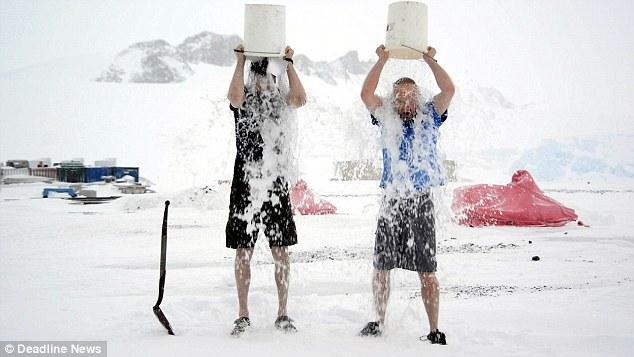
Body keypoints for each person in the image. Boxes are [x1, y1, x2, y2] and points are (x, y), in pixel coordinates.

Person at [358, 44, 455, 345]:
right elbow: (366, 94)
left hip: (421, 199)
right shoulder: (385, 116)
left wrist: (429, 59)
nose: (403, 101)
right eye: (398, 96)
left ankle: (434, 329)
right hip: (392, 200)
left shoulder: (430, 115)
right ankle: (378, 321)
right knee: (381, 265)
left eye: (409, 95)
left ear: (418, 97)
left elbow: (449, 89)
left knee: (427, 269)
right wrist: (382, 60)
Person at [226, 44, 306, 336]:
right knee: (243, 250)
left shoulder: (280, 104)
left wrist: (288, 64)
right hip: (245, 183)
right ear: (252, 81)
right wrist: (240, 62)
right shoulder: (244, 102)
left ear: (273, 82)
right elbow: (233, 96)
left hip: (275, 184)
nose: (262, 85)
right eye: (257, 80)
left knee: (280, 250)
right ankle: (243, 314)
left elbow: (300, 98)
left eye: (267, 80)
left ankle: (283, 313)